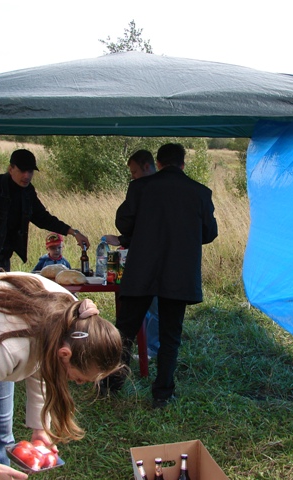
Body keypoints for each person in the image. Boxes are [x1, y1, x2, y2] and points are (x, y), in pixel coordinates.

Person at [0, 272, 122, 480]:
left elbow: (44, 365)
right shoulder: (7, 348)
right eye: (79, 378)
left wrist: (40, 428)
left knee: (3, 437)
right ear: (65, 354)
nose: (77, 383)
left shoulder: (76, 323)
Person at [101, 143, 218, 409]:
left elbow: (124, 223)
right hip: (179, 274)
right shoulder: (200, 192)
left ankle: (111, 386)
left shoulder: (140, 188)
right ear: (183, 164)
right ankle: (163, 394)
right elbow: (209, 233)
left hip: (142, 271)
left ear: (159, 163)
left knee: (125, 330)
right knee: (170, 336)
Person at [0, 149, 89, 280]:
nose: (26, 176)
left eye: (30, 171)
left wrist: (74, 232)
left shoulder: (27, 192)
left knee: (2, 295)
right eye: (22, 171)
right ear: (11, 169)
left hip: (3, 261)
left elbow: (43, 218)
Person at [104, 149, 160, 359]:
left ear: (146, 166)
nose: (133, 177)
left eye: (135, 172)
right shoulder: (169, 189)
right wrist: (122, 240)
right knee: (152, 309)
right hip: (164, 261)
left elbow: (129, 222)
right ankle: (151, 349)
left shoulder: (142, 188)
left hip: (147, 263)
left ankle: (151, 349)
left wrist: (124, 237)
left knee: (149, 310)